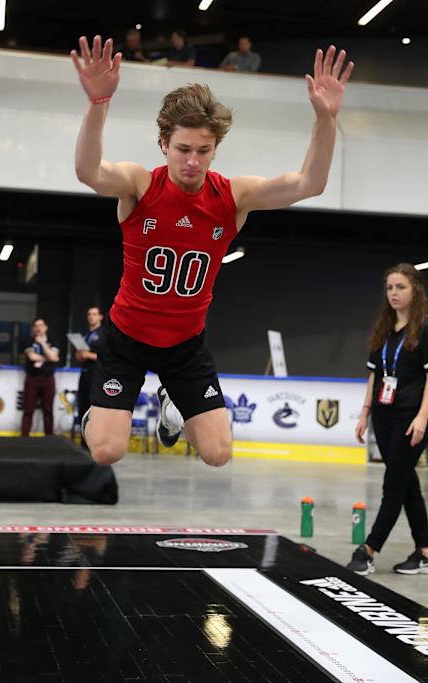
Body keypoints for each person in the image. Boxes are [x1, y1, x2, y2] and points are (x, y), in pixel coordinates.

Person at [70, 35, 353, 468]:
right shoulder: (141, 185)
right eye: (183, 150)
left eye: (203, 151)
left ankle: (171, 396)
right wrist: (98, 103)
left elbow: (307, 184)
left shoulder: (232, 197)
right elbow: (89, 171)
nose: (192, 161)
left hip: (185, 344)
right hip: (126, 338)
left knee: (218, 454)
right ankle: (98, 413)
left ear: (215, 150)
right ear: (164, 144)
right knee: (108, 451)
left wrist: (326, 118)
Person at [348, 263, 428, 576]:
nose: (393, 293)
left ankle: (368, 549)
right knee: (406, 482)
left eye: (401, 287)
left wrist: (423, 417)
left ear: (415, 290)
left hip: (411, 416)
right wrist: (365, 413)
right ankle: (425, 550)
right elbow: (374, 375)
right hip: (383, 415)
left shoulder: (423, 328)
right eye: (390, 287)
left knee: (392, 484)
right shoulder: (384, 327)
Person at [21, 318, 59, 437]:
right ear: (33, 328)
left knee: (48, 410)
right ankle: (24, 437)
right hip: (32, 378)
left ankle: (49, 437)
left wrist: (42, 343)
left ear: (45, 327)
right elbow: (32, 357)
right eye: (36, 326)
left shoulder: (53, 341)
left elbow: (54, 356)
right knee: (28, 409)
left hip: (48, 378)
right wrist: (49, 358)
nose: (38, 328)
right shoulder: (28, 341)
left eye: (41, 325)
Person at [75, 306, 104, 445]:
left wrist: (89, 355)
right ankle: (83, 442)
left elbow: (107, 356)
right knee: (82, 408)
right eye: (89, 314)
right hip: (84, 374)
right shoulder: (86, 334)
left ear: (100, 317)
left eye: (94, 314)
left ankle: (94, 443)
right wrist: (81, 355)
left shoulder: (104, 334)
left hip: (96, 375)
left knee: (94, 411)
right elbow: (84, 354)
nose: (91, 317)